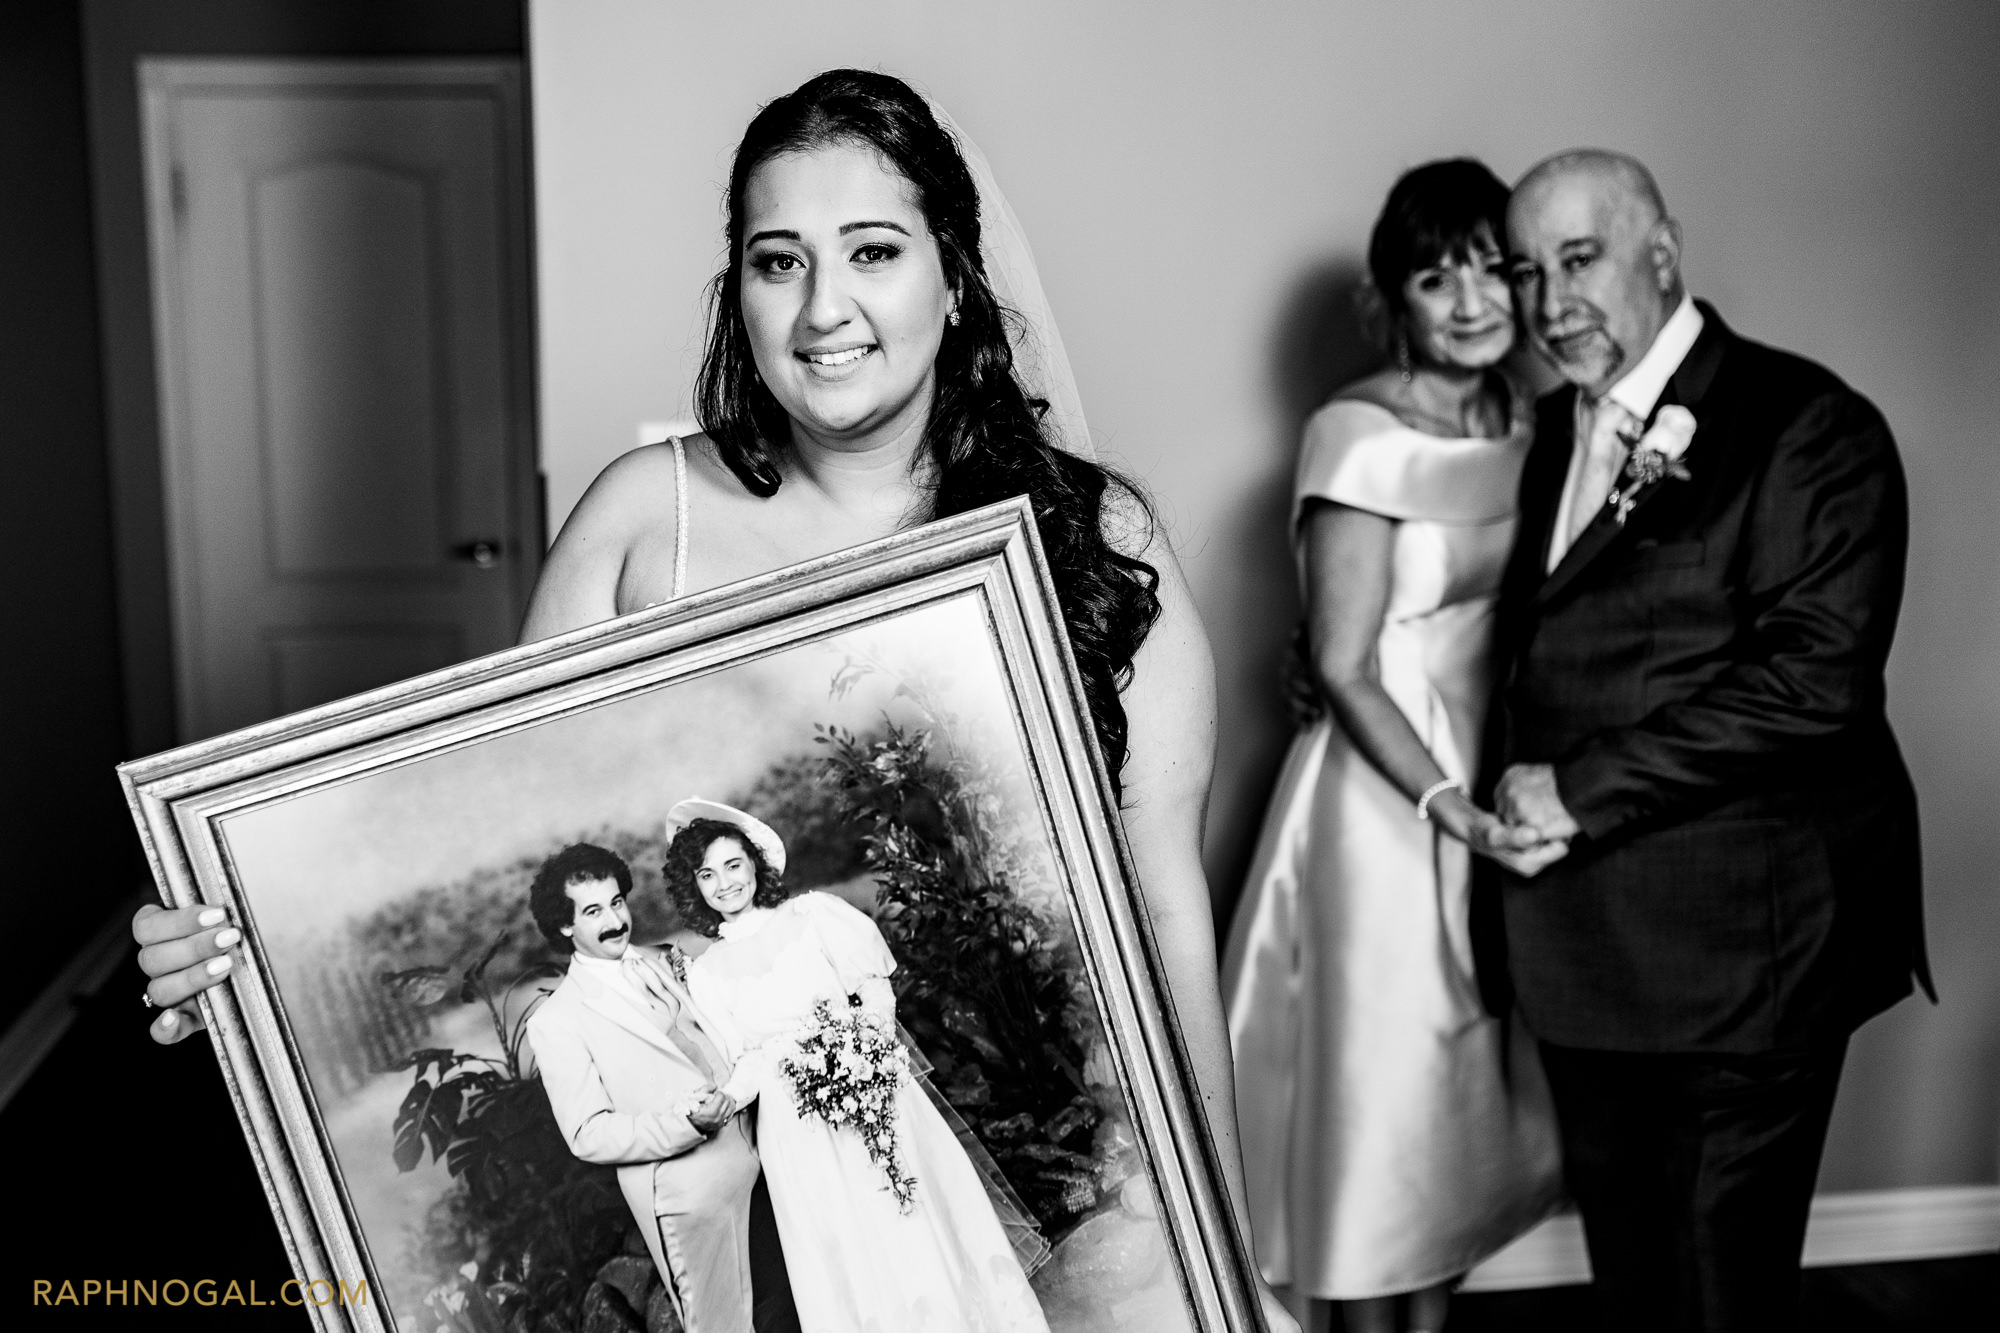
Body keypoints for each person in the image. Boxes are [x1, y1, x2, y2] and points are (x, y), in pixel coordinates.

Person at [130, 67, 1298, 1333]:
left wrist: (1221, 1254)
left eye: (872, 250)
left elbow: (1166, 919)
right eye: (776, 260)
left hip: (1094, 1208)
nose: (823, 307)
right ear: (735, 287)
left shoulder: (1092, 541)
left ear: (953, 276)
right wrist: (250, 943)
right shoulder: (643, 523)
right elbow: (493, 830)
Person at [1482, 148, 1931, 1333]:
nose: (1546, 305)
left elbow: (1811, 683)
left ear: (1661, 253)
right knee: (1631, 1275)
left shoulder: (1808, 426)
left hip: (1746, 949)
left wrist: (1573, 792)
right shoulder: (1543, 432)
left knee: (1722, 1291)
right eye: (1527, 271)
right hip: (1580, 947)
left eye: (1578, 259)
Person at [1222, 159, 1565, 1333]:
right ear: (1391, 303)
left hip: (1497, 778)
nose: (1469, 301)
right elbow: (1342, 664)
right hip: (1382, 801)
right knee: (1375, 1105)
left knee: (1452, 1106)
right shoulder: (1354, 433)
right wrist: (1443, 803)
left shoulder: (1532, 419)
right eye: (1433, 277)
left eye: (1485, 267)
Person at [662, 800, 1051, 1333]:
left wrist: (863, 1055)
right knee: (844, 1244)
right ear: (695, 888)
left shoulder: (813, 915)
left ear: (755, 862)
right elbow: (749, 1059)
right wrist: (727, 1097)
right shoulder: (706, 974)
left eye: (733, 864)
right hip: (796, 1132)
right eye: (707, 875)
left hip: (872, 1094)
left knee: (905, 1215)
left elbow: (872, 989)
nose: (724, 883)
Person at [522, 843, 769, 1333]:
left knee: (804, 1305)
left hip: (767, 1159)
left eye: (617, 903)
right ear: (565, 925)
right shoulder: (558, 1020)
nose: (615, 920)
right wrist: (685, 1124)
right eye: (593, 911)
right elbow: (588, 1133)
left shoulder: (663, 960)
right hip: (693, 1200)